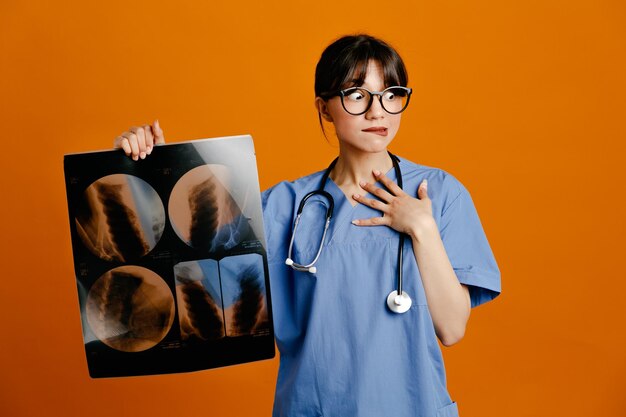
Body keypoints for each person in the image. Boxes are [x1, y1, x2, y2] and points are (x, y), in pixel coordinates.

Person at [115, 34, 500, 417]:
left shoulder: (437, 193)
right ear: (325, 108)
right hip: (312, 408)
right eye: (356, 94)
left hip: (413, 406)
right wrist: (150, 170)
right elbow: (193, 284)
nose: (377, 111)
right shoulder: (281, 206)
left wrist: (422, 228)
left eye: (391, 94)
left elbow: (452, 329)